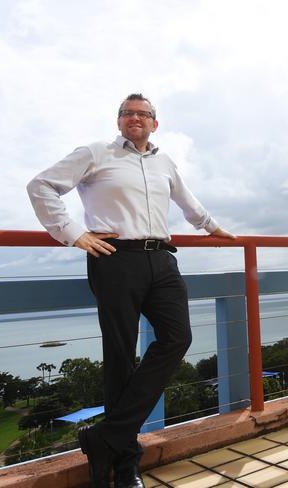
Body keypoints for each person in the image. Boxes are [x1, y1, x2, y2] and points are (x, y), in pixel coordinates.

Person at [27, 94, 234, 488]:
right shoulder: (95, 152)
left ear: (155, 123)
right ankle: (125, 463)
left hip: (162, 258)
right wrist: (74, 234)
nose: (134, 118)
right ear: (118, 121)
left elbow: (187, 201)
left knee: (177, 338)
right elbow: (40, 186)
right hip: (115, 258)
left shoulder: (164, 161)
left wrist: (211, 226)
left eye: (142, 113)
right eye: (127, 113)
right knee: (120, 356)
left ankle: (107, 435)